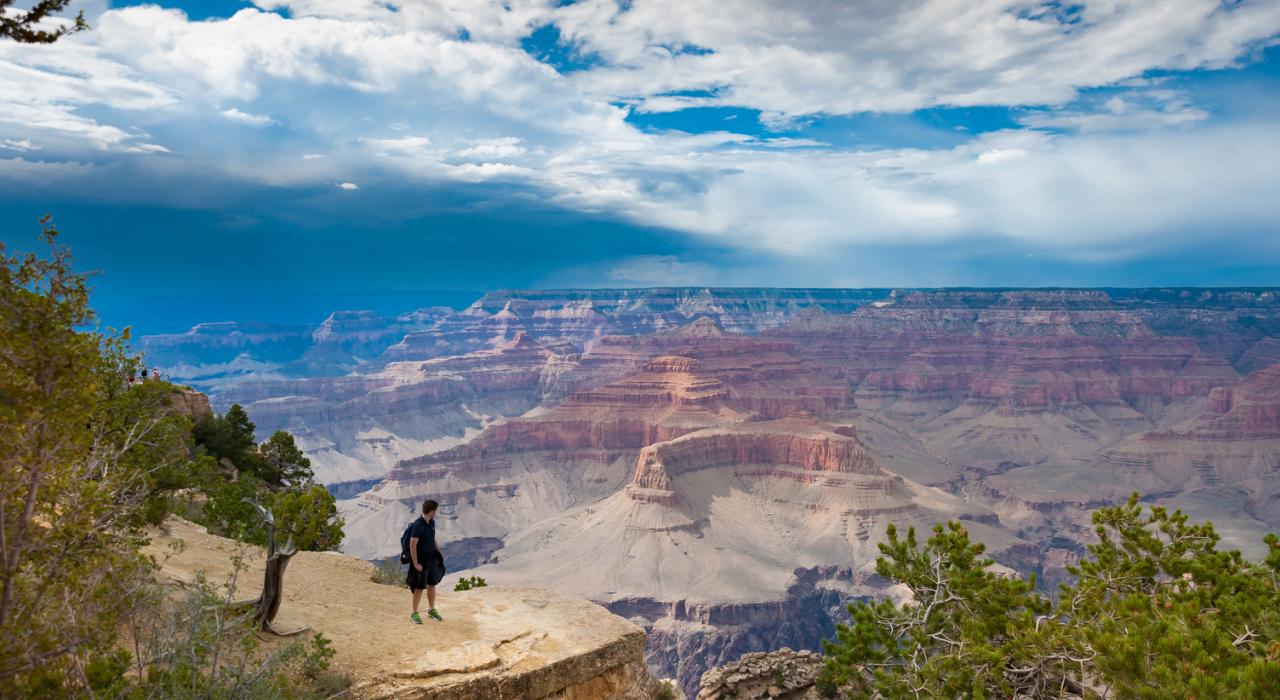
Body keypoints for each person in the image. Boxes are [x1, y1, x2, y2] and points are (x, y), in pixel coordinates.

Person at [407, 499, 444, 624]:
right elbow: (412, 545)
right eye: (435, 511)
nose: (436, 513)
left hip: (432, 560)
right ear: (432, 511)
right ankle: (413, 613)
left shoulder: (431, 522)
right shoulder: (418, 525)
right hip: (421, 562)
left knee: (432, 584)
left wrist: (439, 554)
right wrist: (416, 563)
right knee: (419, 587)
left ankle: (431, 609)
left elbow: (433, 539)